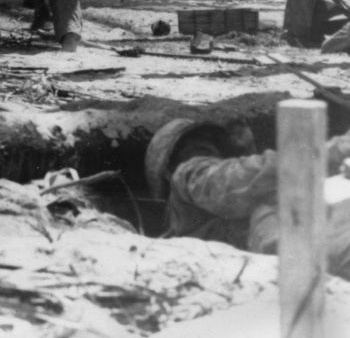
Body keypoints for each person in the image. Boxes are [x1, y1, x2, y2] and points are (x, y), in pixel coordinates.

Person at [146, 118, 350, 277]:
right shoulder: (187, 178)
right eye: (188, 147)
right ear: (168, 171)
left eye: (209, 141)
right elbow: (233, 181)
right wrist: (330, 152)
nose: (202, 150)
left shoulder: (247, 190)